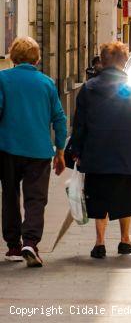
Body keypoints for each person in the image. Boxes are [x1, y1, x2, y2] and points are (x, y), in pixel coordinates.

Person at [69, 40, 131, 260]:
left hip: (96, 155)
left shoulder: (89, 88)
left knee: (99, 198)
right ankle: (125, 240)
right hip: (127, 155)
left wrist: (76, 148)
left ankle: (99, 243)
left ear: (102, 61)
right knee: (126, 199)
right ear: (124, 62)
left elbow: (80, 123)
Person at [0, 36, 67, 267]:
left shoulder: (2, 78)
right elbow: (59, 118)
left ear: (13, 57)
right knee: (36, 199)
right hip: (39, 151)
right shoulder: (47, 83)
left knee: (9, 195)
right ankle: (31, 242)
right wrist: (60, 150)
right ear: (37, 59)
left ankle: (13, 245)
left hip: (7, 149)